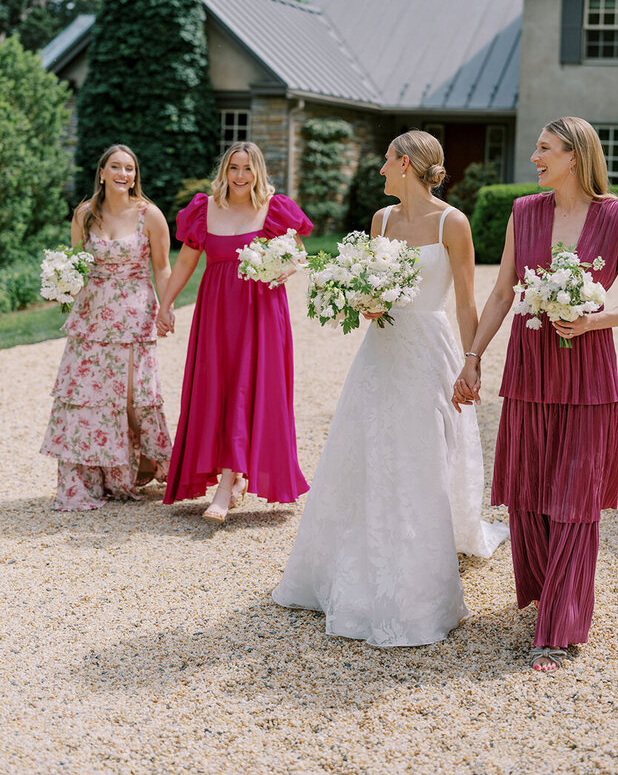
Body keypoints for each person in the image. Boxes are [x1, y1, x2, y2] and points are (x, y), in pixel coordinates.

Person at [273, 130, 508, 647]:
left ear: (406, 164)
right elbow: (372, 287)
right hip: (380, 352)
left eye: (385, 161)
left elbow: (467, 302)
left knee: (422, 453)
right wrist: (364, 302)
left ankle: (421, 565)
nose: (379, 170)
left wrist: (472, 363)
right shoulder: (380, 221)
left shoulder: (454, 222)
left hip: (429, 349)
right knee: (367, 449)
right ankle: (358, 561)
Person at [453, 117, 618, 672]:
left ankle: (559, 627)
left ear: (575, 154)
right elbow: (499, 294)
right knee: (530, 491)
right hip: (530, 366)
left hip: (588, 370)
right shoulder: (525, 211)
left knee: (575, 498)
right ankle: (546, 590)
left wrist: (593, 321)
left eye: (544, 148)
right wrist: (472, 356)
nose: (534, 157)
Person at [157, 141, 313, 522]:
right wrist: (166, 303)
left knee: (248, 387)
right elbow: (186, 262)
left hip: (261, 311)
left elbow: (298, 253)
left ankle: (226, 486)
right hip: (215, 312)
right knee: (219, 387)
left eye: (247, 169)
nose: (240, 176)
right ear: (224, 171)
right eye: (233, 168)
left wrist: (286, 268)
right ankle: (235, 476)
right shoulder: (204, 209)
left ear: (258, 172)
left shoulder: (274, 209)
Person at [41, 144, 173, 510]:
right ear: (102, 172)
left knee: (134, 396)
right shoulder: (85, 214)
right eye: (115, 166)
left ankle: (143, 462)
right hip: (91, 314)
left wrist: (168, 306)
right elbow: (76, 263)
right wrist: (62, 284)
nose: (123, 174)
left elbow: (161, 267)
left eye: (129, 168)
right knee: (88, 395)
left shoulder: (151, 215)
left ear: (135, 176)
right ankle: (90, 476)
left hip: (134, 312)